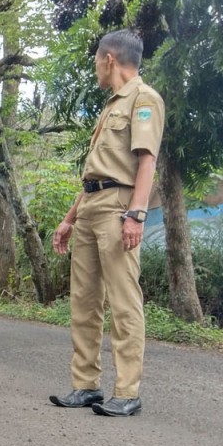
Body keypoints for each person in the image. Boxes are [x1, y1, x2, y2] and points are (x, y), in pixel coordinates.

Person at [50, 30, 164, 418]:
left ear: (109, 59)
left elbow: (146, 161)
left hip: (118, 207)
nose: (95, 67)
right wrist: (69, 219)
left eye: (97, 60)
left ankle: (127, 391)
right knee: (83, 301)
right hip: (90, 205)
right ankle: (85, 385)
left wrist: (136, 213)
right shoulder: (109, 106)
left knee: (122, 300)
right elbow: (95, 173)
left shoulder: (143, 99)